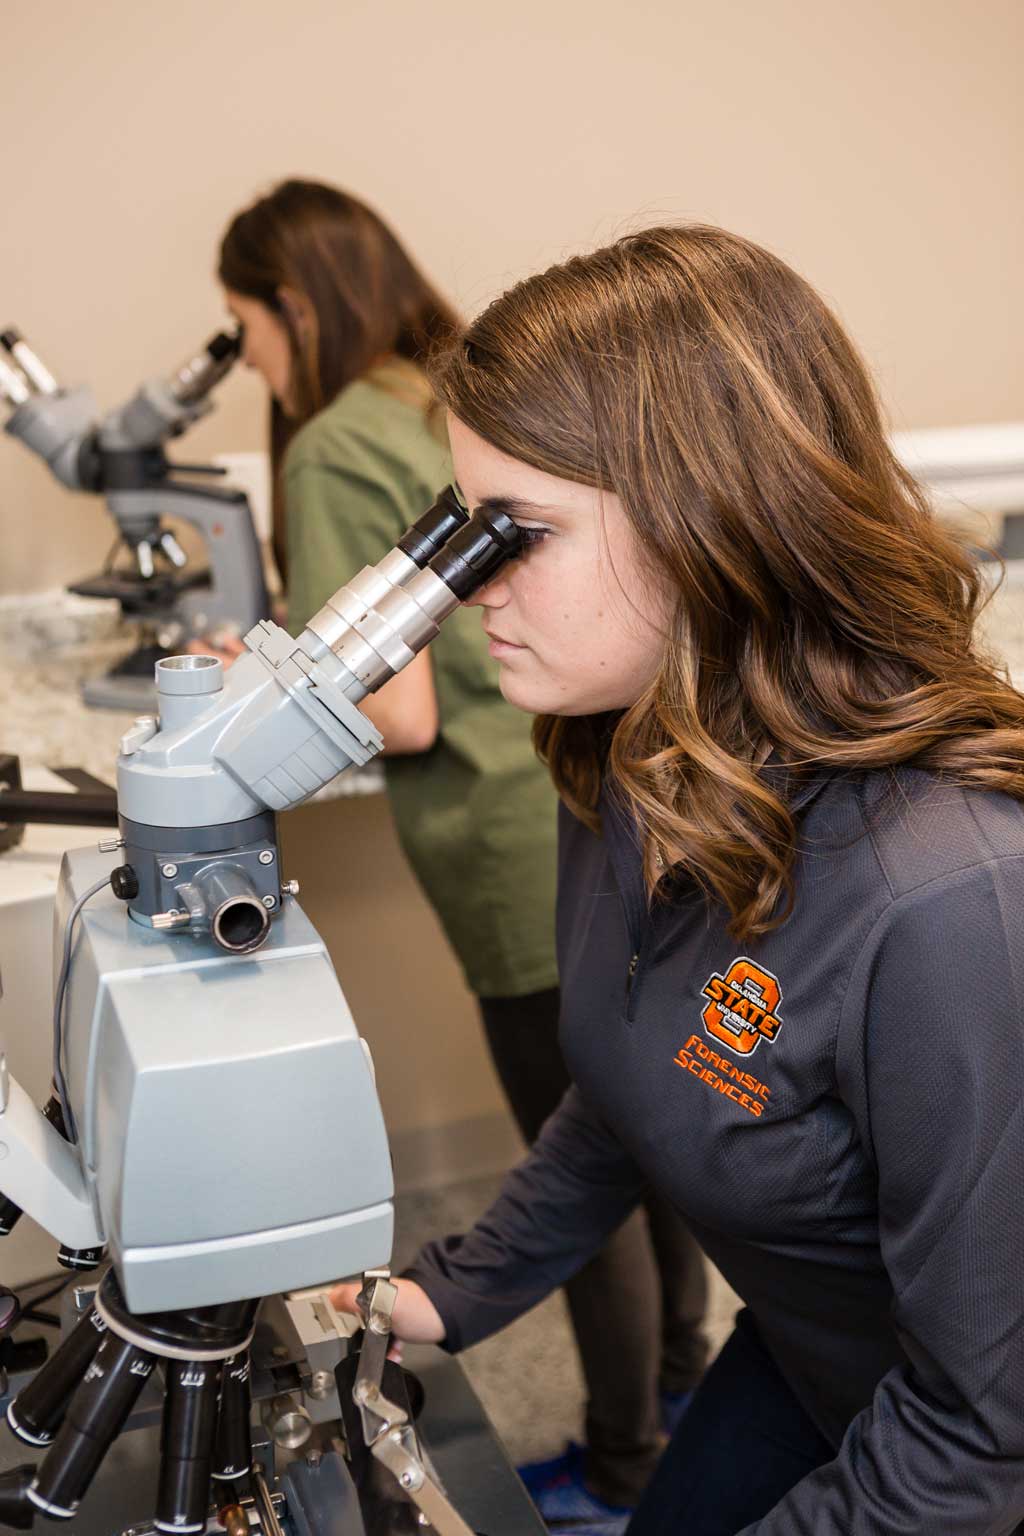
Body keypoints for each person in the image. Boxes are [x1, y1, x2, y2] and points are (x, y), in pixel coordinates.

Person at [330, 223, 1024, 1536]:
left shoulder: (949, 901)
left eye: (512, 535)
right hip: (823, 1355)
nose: (463, 590)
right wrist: (452, 1293)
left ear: (711, 521)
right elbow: (636, 1086)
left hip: (959, 1450)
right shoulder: (624, 761)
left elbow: (983, 1445)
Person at [217, 182, 709, 1526]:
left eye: (244, 330)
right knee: (650, 1113)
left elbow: (404, 704)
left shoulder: (331, 442)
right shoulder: (421, 398)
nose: (247, 362)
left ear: (294, 307)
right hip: (564, 793)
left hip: (498, 842)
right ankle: (676, 1389)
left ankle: (625, 1462)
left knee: (588, 1132)